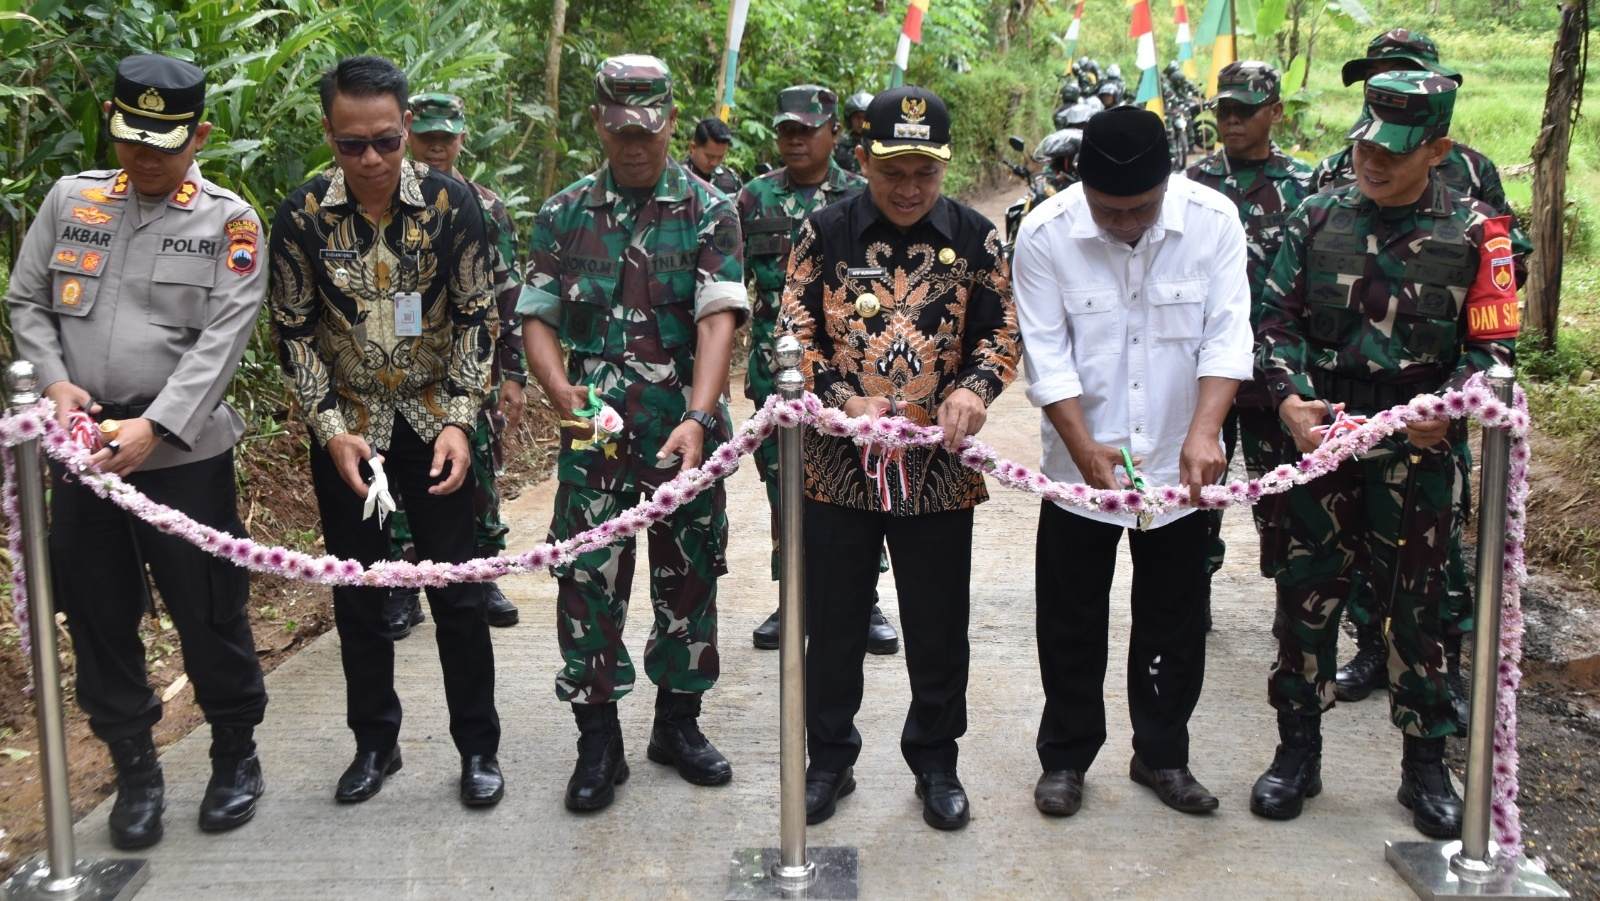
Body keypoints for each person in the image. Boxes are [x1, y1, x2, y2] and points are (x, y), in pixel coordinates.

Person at [5, 53, 269, 849]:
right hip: (81, 451)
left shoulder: (230, 223)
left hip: (180, 458)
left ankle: (233, 755)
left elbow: (223, 341)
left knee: (208, 606)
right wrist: (53, 384)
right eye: (130, 137)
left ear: (200, 135)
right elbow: (26, 301)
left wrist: (154, 425)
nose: (143, 156)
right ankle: (136, 769)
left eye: (162, 140)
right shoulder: (71, 199)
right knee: (96, 608)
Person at [1248, 72, 1518, 839]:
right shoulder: (1315, 216)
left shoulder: (1477, 235)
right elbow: (1274, 321)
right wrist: (1292, 396)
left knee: (1418, 613)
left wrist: (1452, 404)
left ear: (1436, 148)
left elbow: (1494, 353)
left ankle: (1424, 766)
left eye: (1393, 152)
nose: (1372, 159)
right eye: (1365, 142)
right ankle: (1296, 751)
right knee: (1305, 596)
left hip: (1419, 454)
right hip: (1323, 445)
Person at [268, 55, 504, 808]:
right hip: (351, 436)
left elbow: (477, 315)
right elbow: (294, 331)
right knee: (359, 598)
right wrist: (330, 428)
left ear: (406, 128)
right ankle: (376, 744)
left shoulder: (450, 202)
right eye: (351, 144)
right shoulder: (302, 214)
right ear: (328, 134)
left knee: (458, 597)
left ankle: (478, 748)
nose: (370, 159)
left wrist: (463, 423)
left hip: (435, 424)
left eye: (385, 141)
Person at [783, 86, 1020, 832]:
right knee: (835, 617)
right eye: (894, 172)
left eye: (926, 172)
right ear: (863, 160)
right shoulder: (822, 233)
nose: (911, 189)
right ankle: (830, 759)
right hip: (837, 461)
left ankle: (937, 760)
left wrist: (978, 389)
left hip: (939, 463)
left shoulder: (978, 239)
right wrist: (842, 399)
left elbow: (1002, 332)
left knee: (937, 620)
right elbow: (791, 336)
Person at [518, 55, 748, 813]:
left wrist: (697, 411)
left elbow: (718, 317)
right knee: (588, 585)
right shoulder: (563, 214)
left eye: (648, 130)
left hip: (685, 435)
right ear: (599, 124)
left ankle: (677, 724)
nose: (635, 145)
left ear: (672, 121)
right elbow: (539, 318)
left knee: (688, 579)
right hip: (597, 442)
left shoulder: (711, 209)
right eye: (620, 131)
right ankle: (597, 737)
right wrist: (560, 393)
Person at [1011, 107, 1252, 819]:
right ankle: (1065, 757)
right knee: (1070, 616)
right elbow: (1045, 353)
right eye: (1108, 211)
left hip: (1184, 465)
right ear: (1081, 187)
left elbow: (1226, 334)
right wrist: (1083, 445)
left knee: (1175, 614)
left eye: (1139, 209)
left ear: (1167, 183)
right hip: (1078, 461)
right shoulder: (1046, 232)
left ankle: (1162, 752)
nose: (1123, 224)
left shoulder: (1213, 222)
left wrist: (1207, 430)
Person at [1314, 28, 1526, 714]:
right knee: (1343, 553)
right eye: (1376, 82)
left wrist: (1455, 391)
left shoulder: (1472, 181)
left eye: (1402, 78)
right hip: (1345, 406)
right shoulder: (1334, 177)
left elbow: (1499, 291)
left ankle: (1435, 676)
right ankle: (1371, 648)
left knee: (1426, 556)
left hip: (1426, 400)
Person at [735, 85, 892, 654]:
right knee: (787, 488)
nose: (795, 140)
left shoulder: (863, 193)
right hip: (776, 375)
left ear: (833, 133)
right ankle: (794, 597)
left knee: (859, 481)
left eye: (807, 129)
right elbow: (735, 286)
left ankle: (864, 599)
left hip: (851, 376)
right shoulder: (753, 199)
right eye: (786, 131)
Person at [378, 91, 526, 635]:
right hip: (395, 363)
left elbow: (509, 290)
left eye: (447, 138)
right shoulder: (380, 200)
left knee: (480, 463)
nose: (437, 149)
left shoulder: (485, 207)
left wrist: (514, 371)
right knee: (393, 465)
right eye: (427, 138)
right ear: (409, 134)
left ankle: (479, 572)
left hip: (471, 361)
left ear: (463, 137)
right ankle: (400, 579)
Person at [1183, 61, 1315, 627]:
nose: (1231, 122)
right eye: (1224, 112)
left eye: (1245, 111)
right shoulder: (1191, 185)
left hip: (1273, 376)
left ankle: (1293, 608)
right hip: (1205, 366)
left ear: (1275, 113)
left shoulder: (1306, 187)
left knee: (1283, 497)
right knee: (1194, 490)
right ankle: (1190, 598)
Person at [684, 116, 743, 197]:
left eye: (720, 157)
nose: (714, 163)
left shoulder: (731, 180)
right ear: (693, 147)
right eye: (709, 156)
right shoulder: (674, 177)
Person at [833, 91, 873, 174]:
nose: (861, 121)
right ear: (850, 119)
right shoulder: (840, 144)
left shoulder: (881, 144)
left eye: (864, 117)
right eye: (857, 117)